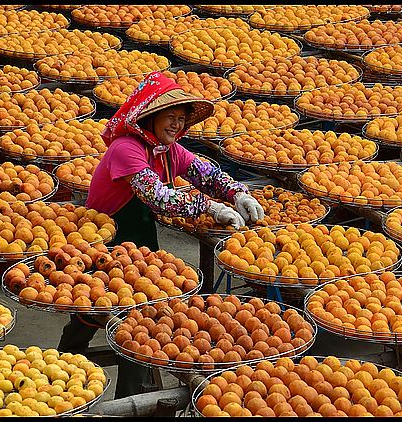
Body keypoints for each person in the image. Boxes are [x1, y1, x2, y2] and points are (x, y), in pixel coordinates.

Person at [57, 71, 264, 397]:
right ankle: (64, 364)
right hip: (104, 240)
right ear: (151, 116)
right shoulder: (127, 148)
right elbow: (157, 196)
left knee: (138, 317)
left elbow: (205, 173)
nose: (176, 125)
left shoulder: (170, 150)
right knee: (92, 307)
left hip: (138, 239)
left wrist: (237, 194)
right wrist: (210, 208)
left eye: (181, 120)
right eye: (170, 117)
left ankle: (130, 397)